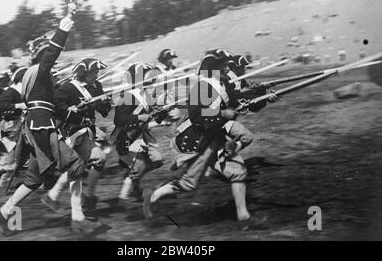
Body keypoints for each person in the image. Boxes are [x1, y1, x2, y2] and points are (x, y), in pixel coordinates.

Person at [0, 3, 105, 235]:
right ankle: (77, 218)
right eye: (47, 56)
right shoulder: (38, 71)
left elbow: (54, 104)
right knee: (76, 163)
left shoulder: (36, 77)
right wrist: (63, 28)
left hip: (38, 125)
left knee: (33, 179)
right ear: (41, 57)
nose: (51, 61)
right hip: (42, 126)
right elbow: (51, 57)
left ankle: (4, 213)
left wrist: (73, 108)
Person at [142, 51, 278, 228]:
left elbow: (240, 103)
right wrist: (222, 113)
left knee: (237, 171)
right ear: (211, 69)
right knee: (188, 184)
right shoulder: (202, 87)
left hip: (215, 138)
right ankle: (152, 196)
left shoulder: (223, 84)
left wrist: (265, 98)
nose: (226, 68)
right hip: (198, 140)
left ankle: (244, 217)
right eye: (222, 66)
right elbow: (197, 115)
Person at [49, 57, 111, 218]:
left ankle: (54, 196)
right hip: (73, 130)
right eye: (94, 72)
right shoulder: (69, 88)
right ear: (84, 73)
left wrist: (104, 103)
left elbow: (104, 111)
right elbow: (55, 104)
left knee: (83, 166)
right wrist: (70, 109)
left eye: (98, 72)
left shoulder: (97, 86)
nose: (97, 75)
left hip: (89, 129)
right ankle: (84, 203)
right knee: (97, 159)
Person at [110, 62, 167, 203]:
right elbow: (119, 120)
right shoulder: (128, 96)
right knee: (137, 166)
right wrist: (139, 117)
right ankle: (124, 196)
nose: (152, 79)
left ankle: (133, 180)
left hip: (143, 136)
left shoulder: (147, 95)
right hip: (127, 137)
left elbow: (157, 118)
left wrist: (164, 110)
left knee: (157, 160)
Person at [0, 67, 28, 188]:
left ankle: (1, 176)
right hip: (7, 128)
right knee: (9, 158)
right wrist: (17, 105)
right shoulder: (12, 91)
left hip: (15, 128)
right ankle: (3, 182)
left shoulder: (21, 91)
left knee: (11, 157)